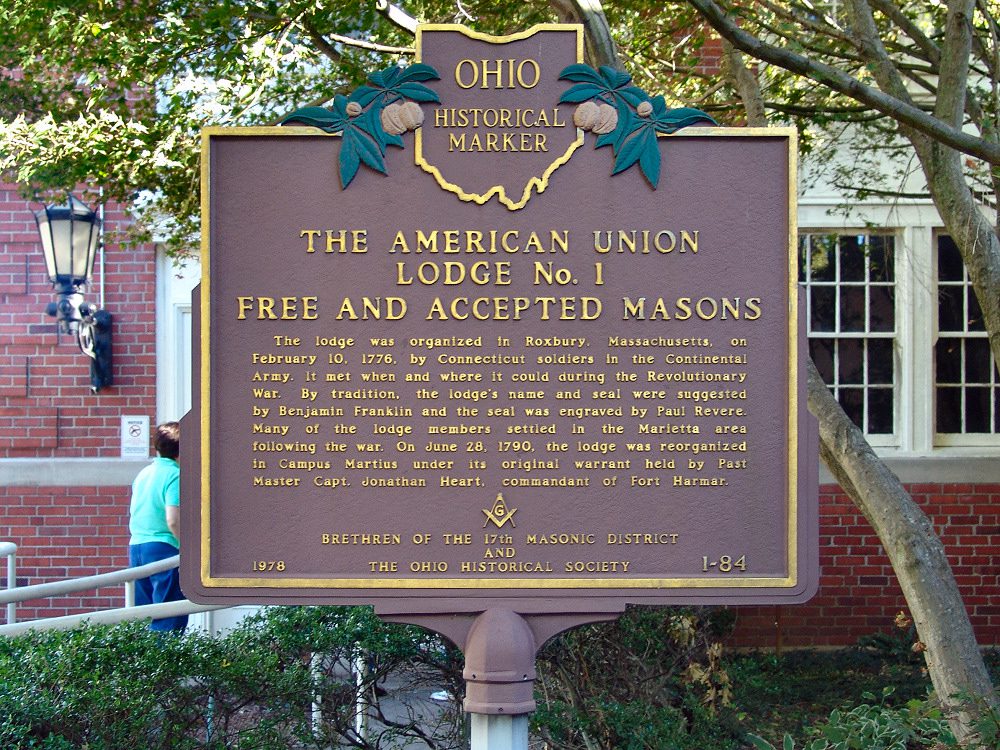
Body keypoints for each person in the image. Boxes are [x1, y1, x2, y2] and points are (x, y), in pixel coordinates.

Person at [128, 421, 187, 632]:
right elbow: (173, 519)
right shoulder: (175, 475)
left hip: (137, 548)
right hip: (163, 547)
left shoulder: (144, 473)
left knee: (143, 617)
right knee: (169, 618)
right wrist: (187, 547)